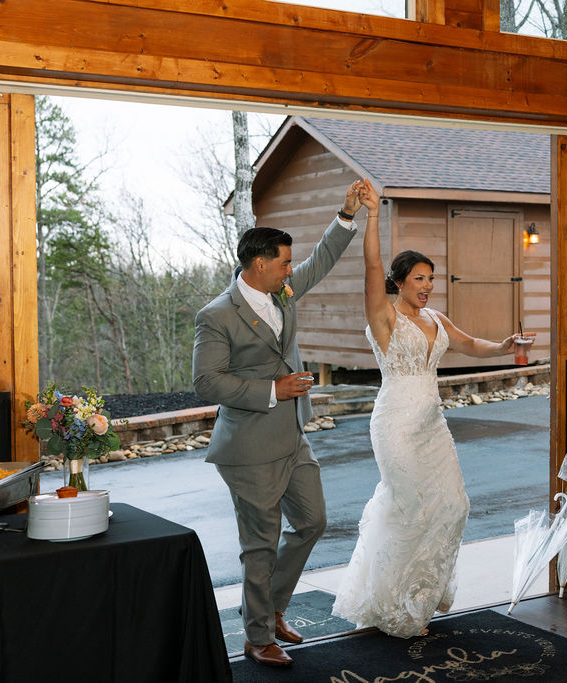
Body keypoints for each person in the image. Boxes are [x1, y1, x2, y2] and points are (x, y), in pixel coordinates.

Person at [331, 179, 514, 638]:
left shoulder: (434, 318)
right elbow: (372, 266)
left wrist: (504, 346)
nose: (428, 286)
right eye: (420, 278)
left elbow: (470, 343)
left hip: (432, 427)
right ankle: (391, 605)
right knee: (409, 510)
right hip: (395, 424)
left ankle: (421, 592)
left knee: (453, 504)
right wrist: (372, 215)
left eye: (431, 278)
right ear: (399, 282)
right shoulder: (384, 315)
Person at [192, 181, 362, 668]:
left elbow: (321, 261)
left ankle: (271, 607)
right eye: (285, 262)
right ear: (259, 263)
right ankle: (257, 635)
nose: (292, 269)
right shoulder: (217, 315)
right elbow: (206, 382)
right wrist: (272, 391)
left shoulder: (284, 292)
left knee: (312, 522)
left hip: (293, 438)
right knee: (260, 545)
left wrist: (346, 214)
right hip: (247, 448)